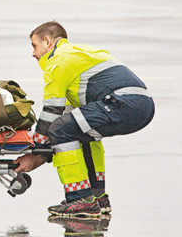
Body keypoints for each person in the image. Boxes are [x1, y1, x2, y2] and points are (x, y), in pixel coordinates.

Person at [14, 21, 155, 218]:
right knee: (77, 130)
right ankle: (97, 198)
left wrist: (36, 150)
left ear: (47, 42)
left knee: (60, 129)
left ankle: (79, 200)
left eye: (34, 46)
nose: (33, 54)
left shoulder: (58, 61)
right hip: (143, 106)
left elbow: (52, 113)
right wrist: (43, 155)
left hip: (123, 103)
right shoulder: (79, 54)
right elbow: (68, 118)